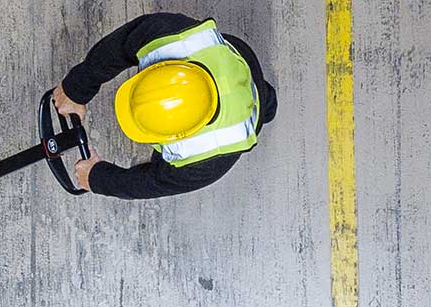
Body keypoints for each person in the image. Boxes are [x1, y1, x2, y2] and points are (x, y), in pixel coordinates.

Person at [51, 12, 279, 199]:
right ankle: (267, 99)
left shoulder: (207, 160)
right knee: (262, 93)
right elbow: (119, 46)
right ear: (159, 69)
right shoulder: (170, 36)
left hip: (247, 89)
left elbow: (152, 183)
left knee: (262, 105)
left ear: (179, 136)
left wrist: (97, 178)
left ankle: (266, 103)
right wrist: (76, 88)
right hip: (234, 59)